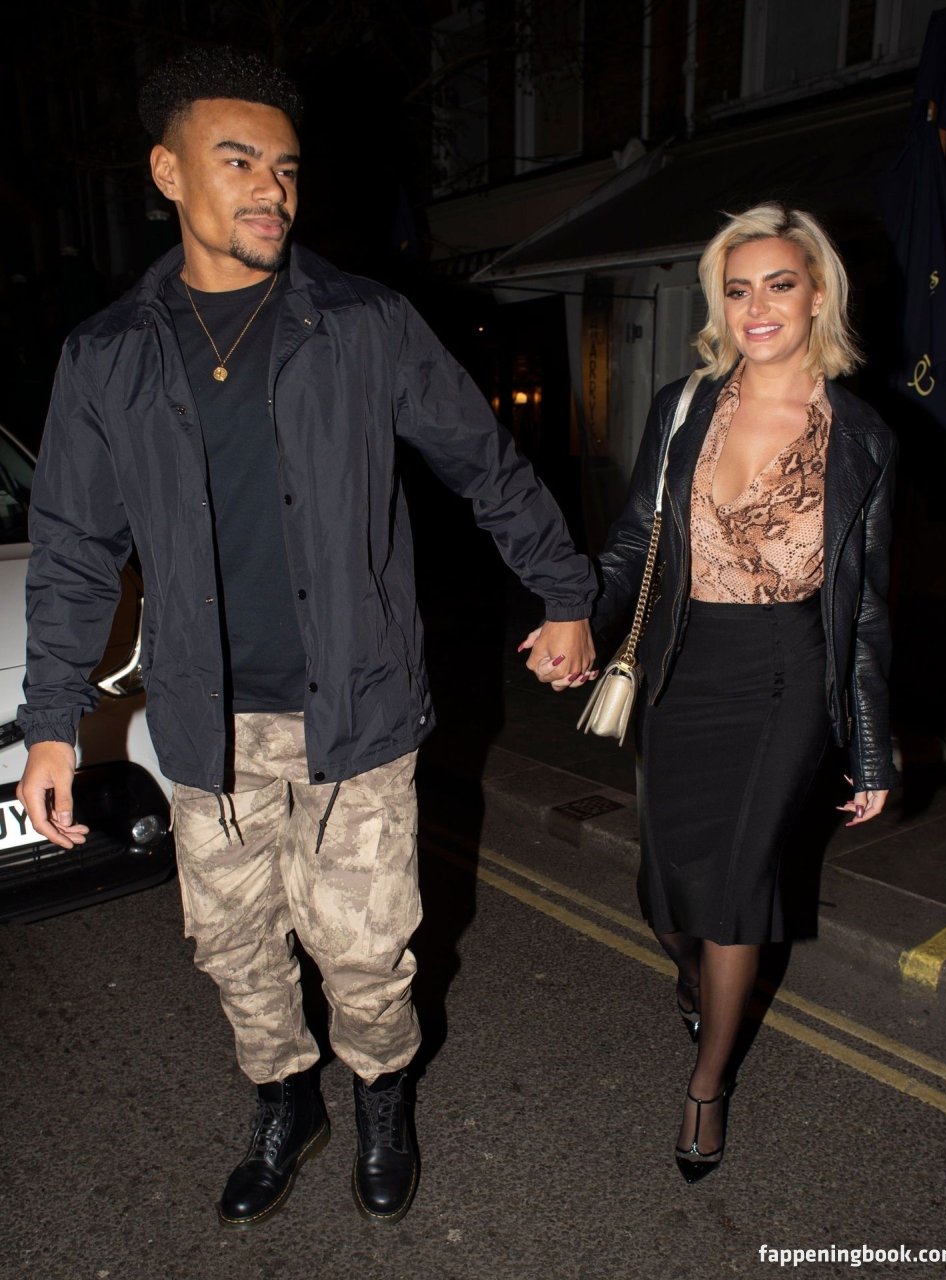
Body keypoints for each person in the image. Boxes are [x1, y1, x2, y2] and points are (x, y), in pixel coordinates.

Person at [16, 46, 595, 1229]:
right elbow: (73, 546)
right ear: (167, 172)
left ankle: (380, 1095)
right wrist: (53, 722)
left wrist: (564, 592)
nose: (271, 189)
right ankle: (286, 1100)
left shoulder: (365, 324)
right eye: (238, 163)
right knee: (231, 943)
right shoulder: (107, 355)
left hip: (356, 706)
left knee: (366, 947)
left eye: (284, 168)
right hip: (204, 719)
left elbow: (484, 465)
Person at [589, 204, 895, 1182]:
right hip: (683, 665)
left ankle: (706, 1085)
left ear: (817, 293)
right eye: (737, 288)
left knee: (733, 891)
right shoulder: (684, 407)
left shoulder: (862, 435)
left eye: (779, 283)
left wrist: (870, 745)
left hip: (785, 676)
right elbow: (634, 542)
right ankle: (698, 977)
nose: (756, 306)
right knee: (664, 894)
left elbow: (865, 605)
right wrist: (576, 620)